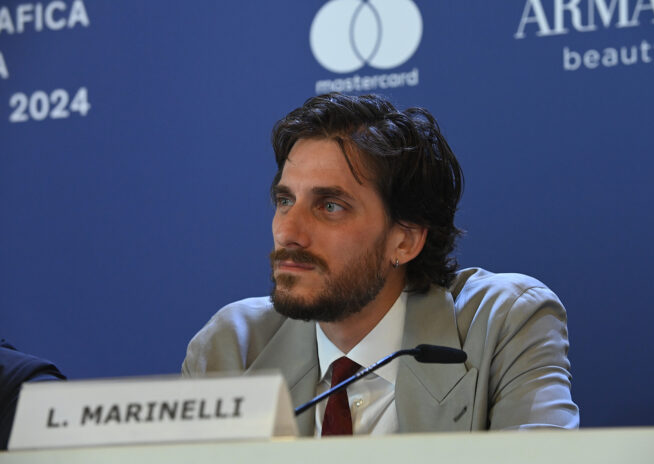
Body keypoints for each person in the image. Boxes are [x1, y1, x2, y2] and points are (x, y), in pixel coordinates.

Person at [182, 93, 579, 436]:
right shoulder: (233, 346)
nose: (289, 232)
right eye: (285, 201)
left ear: (404, 240)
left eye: (330, 206)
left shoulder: (502, 323)